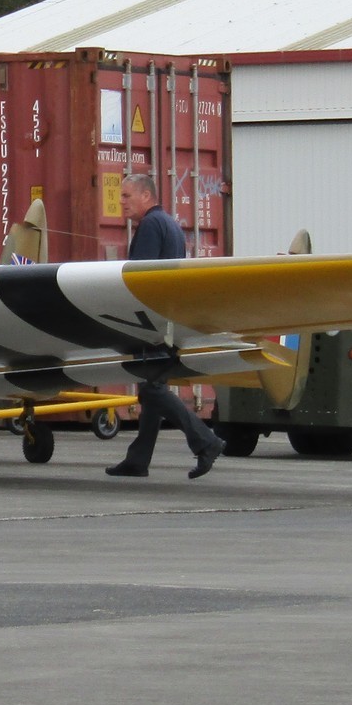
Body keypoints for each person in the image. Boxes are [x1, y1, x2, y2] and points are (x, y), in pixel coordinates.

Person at [106, 173, 225, 480]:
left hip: (152, 322)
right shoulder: (171, 224)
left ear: (147, 196)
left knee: (152, 390)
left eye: (127, 196)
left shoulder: (149, 226)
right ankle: (138, 460)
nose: (121, 202)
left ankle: (206, 442)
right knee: (151, 389)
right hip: (168, 320)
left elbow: (139, 279)